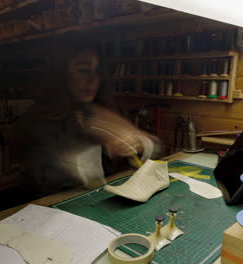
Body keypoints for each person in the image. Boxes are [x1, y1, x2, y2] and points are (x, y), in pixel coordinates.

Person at [15, 32, 160, 197]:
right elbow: (54, 181)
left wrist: (139, 142)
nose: (93, 80)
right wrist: (107, 149)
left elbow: (155, 152)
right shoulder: (35, 124)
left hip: (103, 206)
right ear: (60, 74)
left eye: (97, 72)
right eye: (83, 70)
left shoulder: (99, 112)